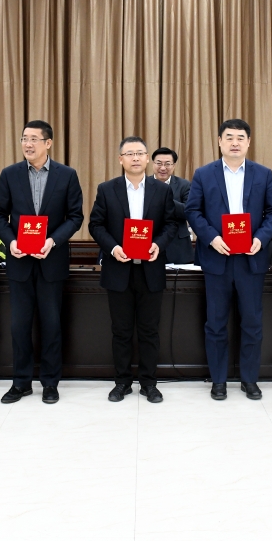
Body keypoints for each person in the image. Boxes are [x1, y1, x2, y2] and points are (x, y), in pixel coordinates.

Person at [185, 118, 272, 400]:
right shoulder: (204, 174)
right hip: (217, 258)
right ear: (219, 141)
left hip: (251, 258)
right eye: (229, 137)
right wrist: (212, 238)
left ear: (249, 142)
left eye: (240, 138)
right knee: (216, 323)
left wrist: (260, 238)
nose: (235, 143)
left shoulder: (263, 174)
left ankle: (249, 379)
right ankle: (218, 380)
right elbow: (193, 211)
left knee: (252, 322)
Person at [0, 120, 84, 405]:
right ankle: (20, 383)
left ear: (48, 143)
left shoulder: (67, 175)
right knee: (19, 326)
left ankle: (50, 383)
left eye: (33, 139)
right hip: (20, 261)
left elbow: (75, 217)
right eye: (24, 138)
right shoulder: (10, 174)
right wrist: (11, 242)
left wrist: (52, 241)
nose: (27, 144)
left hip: (51, 261)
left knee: (51, 324)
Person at [89, 137, 179, 403]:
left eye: (140, 153)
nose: (136, 158)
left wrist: (158, 245)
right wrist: (113, 248)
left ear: (147, 158)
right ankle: (122, 382)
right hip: (119, 269)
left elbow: (171, 224)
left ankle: (149, 383)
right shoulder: (107, 189)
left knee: (150, 330)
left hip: (150, 269)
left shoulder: (161, 190)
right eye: (130, 154)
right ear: (121, 159)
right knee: (121, 331)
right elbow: (96, 225)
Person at [152, 147, 193, 264]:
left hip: (178, 246)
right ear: (152, 164)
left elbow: (189, 211)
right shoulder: (144, 184)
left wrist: (166, 199)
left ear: (174, 166)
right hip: (150, 242)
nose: (163, 168)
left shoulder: (184, 185)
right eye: (159, 163)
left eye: (167, 164)